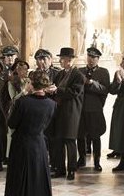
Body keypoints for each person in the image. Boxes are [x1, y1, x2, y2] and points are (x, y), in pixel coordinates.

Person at [5, 71, 56, 196]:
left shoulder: (23, 102)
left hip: (21, 144)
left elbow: (11, 123)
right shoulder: (52, 104)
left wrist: (23, 93)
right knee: (38, 177)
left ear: (31, 84)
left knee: (19, 178)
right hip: (39, 144)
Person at [49, 47, 85, 180]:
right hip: (59, 112)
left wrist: (57, 90)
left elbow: (74, 92)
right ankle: (60, 169)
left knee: (70, 141)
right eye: (61, 59)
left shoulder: (78, 76)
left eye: (63, 59)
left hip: (71, 113)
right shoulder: (60, 74)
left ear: (70, 60)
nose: (60, 61)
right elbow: (56, 87)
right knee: (58, 141)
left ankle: (71, 169)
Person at [76, 47, 110, 171]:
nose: (91, 60)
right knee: (80, 135)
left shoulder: (103, 72)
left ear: (98, 59)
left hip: (95, 108)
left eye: (94, 57)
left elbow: (106, 89)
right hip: (81, 108)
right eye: (89, 57)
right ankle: (82, 159)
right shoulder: (80, 71)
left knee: (96, 136)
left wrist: (91, 83)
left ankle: (97, 161)